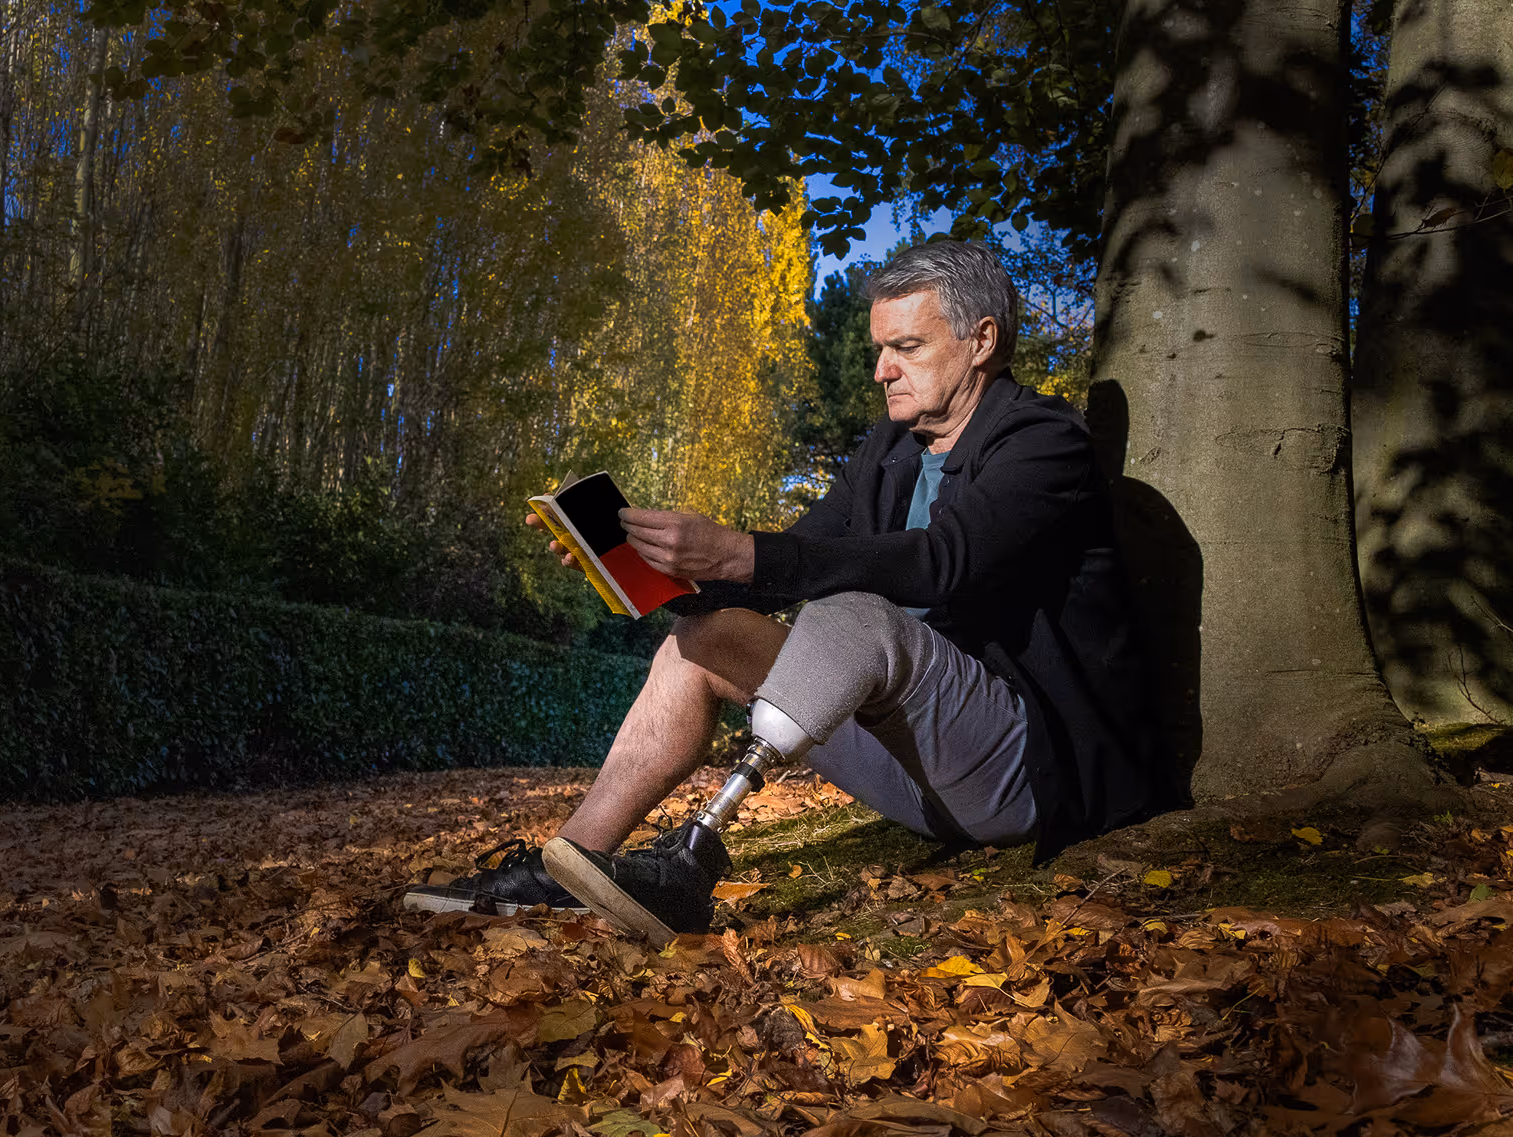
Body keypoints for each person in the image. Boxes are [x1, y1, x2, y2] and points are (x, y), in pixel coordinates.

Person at [404, 240, 1155, 943]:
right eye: (879, 351)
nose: (881, 371)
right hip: (913, 772)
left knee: (853, 614)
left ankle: (692, 858)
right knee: (701, 641)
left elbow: (942, 562)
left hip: (1018, 768)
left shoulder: (1044, 441)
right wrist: (651, 573)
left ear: (982, 342)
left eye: (907, 347)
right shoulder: (890, 451)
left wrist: (744, 552)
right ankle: (568, 864)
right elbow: (785, 567)